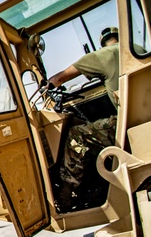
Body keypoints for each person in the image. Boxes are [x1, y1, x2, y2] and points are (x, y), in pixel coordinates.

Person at [47, 26, 121, 211]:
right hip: (147, 119)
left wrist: (49, 86)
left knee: (75, 135)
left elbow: (59, 79)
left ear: (103, 43)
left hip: (123, 125)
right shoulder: (137, 49)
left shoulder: (104, 55)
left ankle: (66, 197)